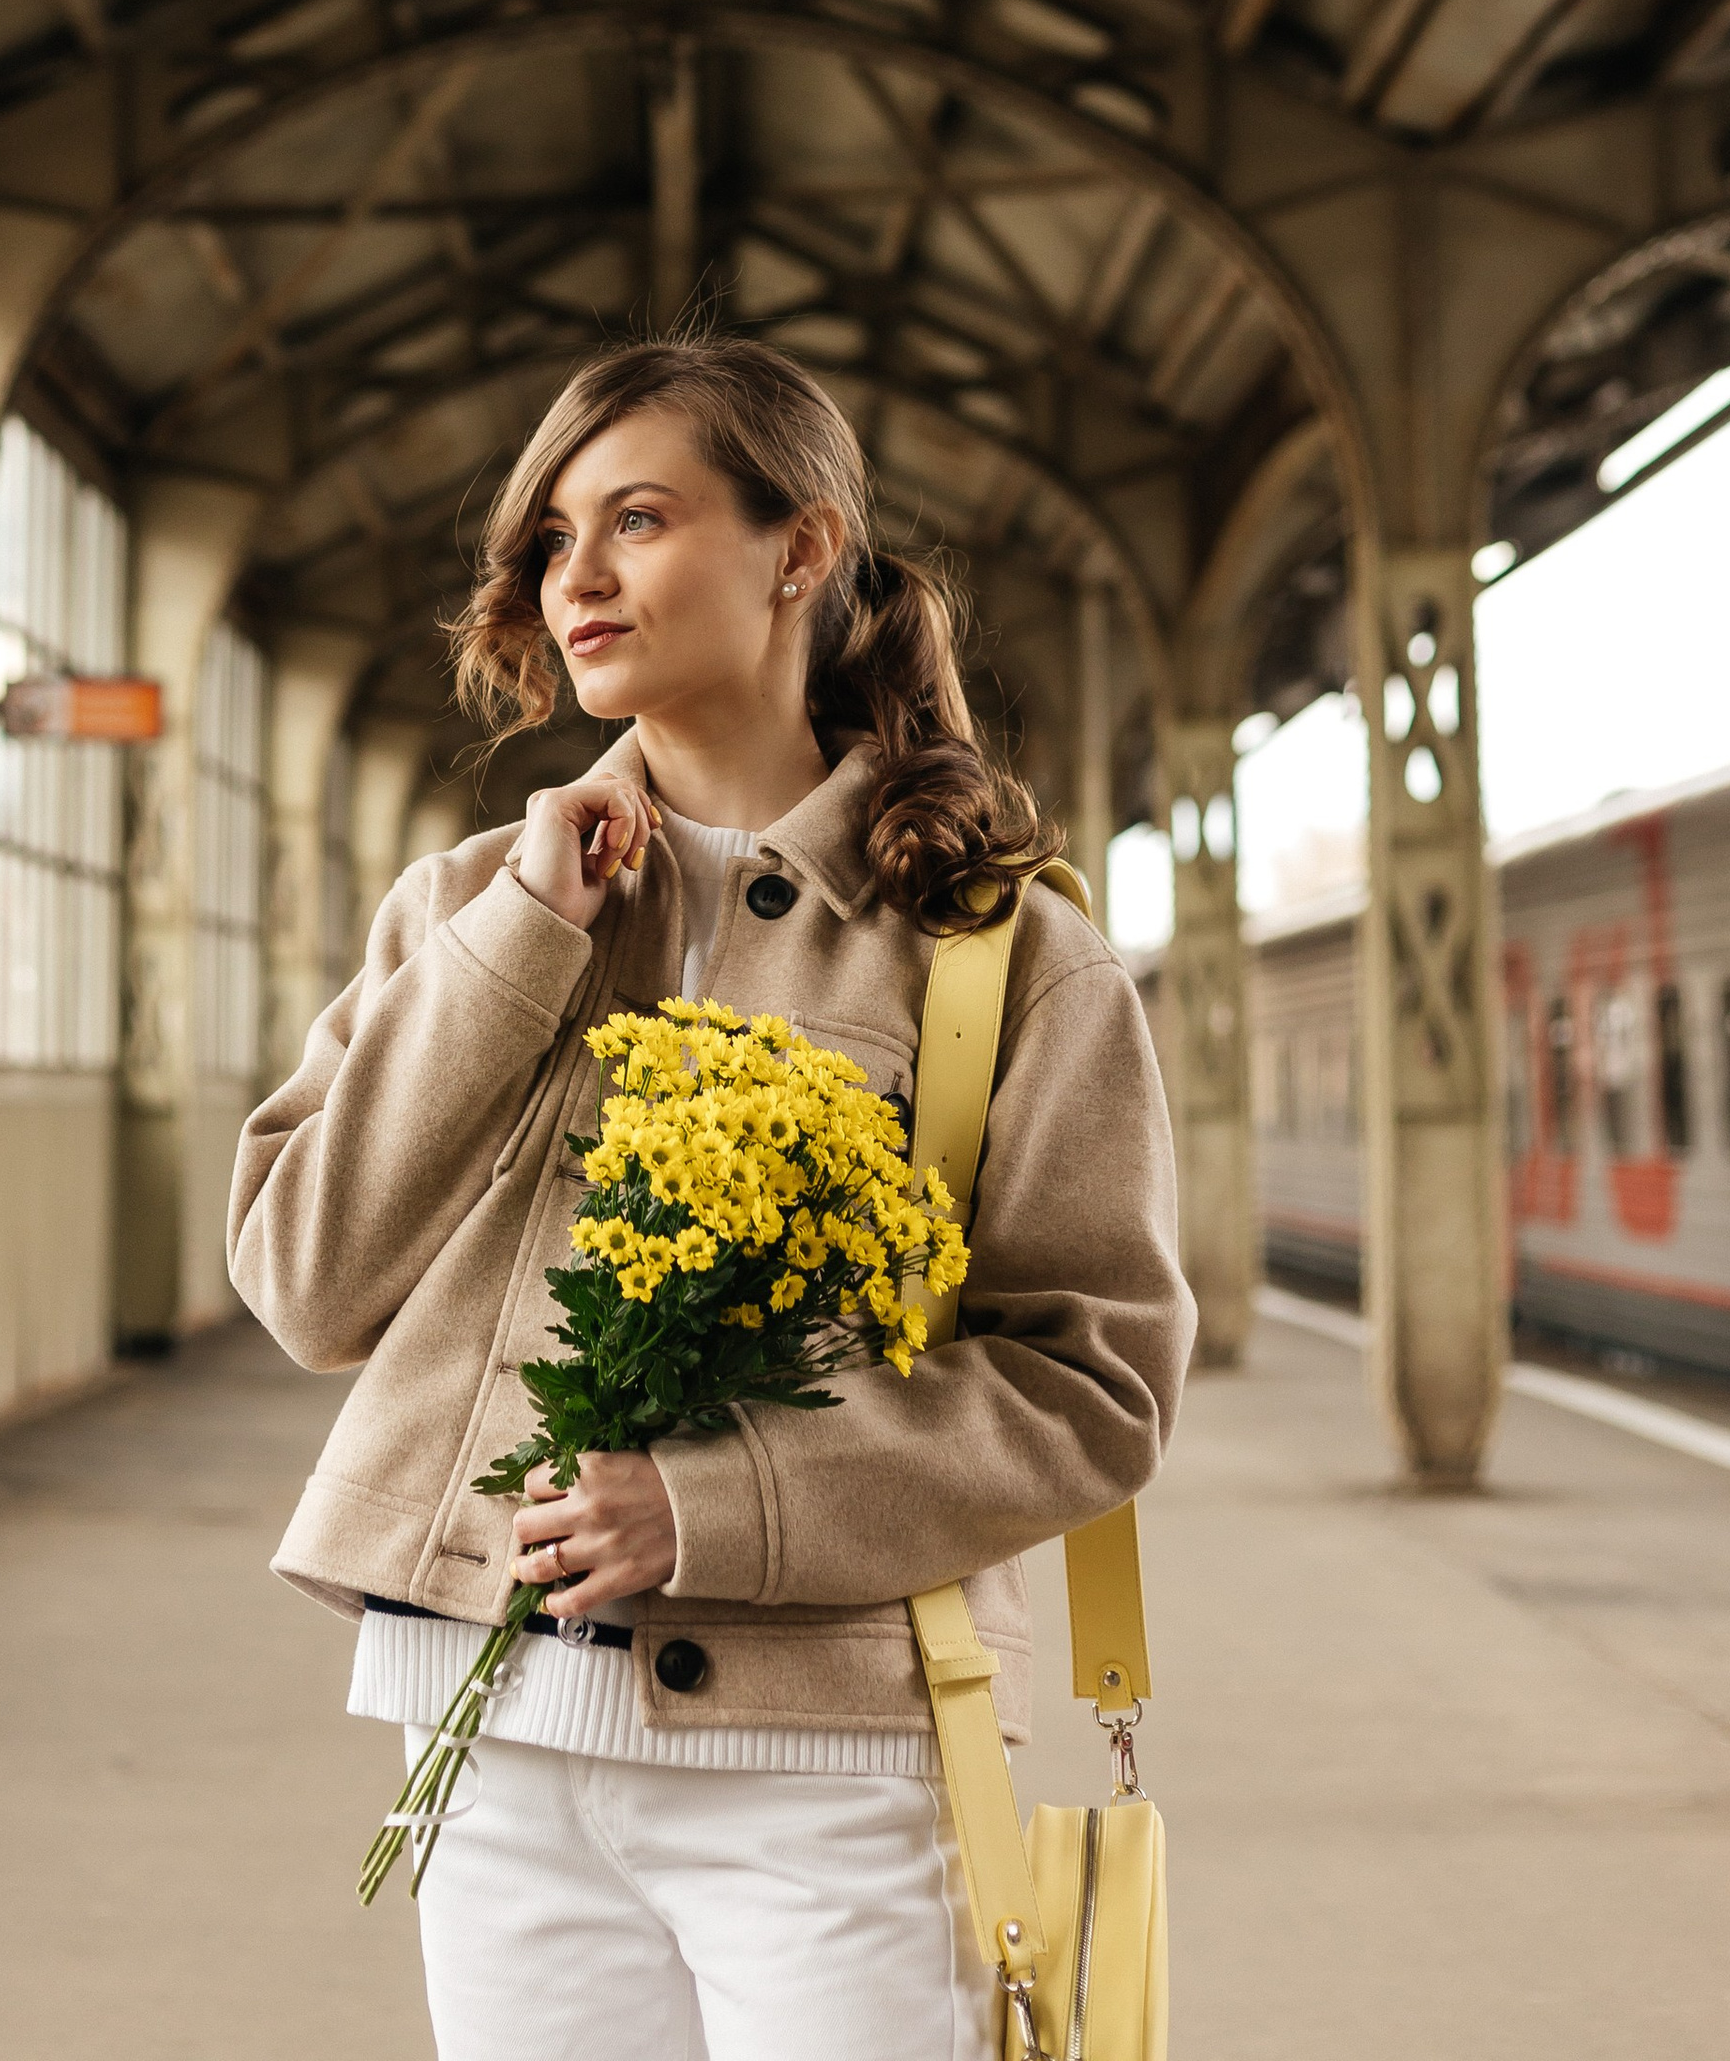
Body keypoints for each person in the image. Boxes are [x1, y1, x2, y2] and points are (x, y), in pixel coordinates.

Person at [230, 338, 1194, 2061]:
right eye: (549, 538)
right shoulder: (467, 902)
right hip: (489, 1720)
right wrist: (522, 941)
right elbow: (306, 1280)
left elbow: (1092, 1379)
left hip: (831, 1757)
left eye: (639, 519)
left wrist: (724, 1506)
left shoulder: (1002, 951)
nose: (573, 578)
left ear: (800, 549)